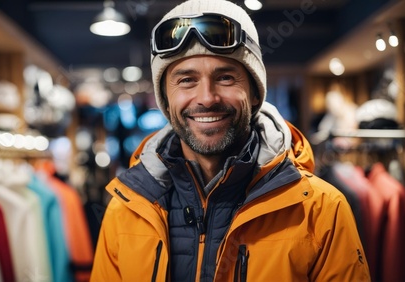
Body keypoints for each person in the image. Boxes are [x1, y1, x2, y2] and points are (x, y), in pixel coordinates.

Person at [91, 0, 371, 281]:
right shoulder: (125, 210)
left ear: (254, 93)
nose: (206, 98)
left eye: (225, 77)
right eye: (186, 80)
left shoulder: (321, 210)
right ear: (165, 99)